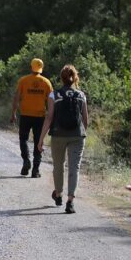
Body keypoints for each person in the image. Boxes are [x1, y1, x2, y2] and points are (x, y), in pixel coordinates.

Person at [38, 65, 89, 214]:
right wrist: (80, 132)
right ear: (75, 78)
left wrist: (41, 139)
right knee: (74, 167)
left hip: (58, 135)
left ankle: (58, 194)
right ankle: (70, 201)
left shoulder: (54, 95)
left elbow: (49, 117)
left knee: (58, 165)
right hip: (77, 136)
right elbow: (85, 120)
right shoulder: (81, 95)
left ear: (61, 78)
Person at [10, 58, 53, 177]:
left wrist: (13, 113)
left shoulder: (23, 80)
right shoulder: (46, 82)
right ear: (41, 69)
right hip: (40, 117)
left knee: (23, 139)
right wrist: (51, 118)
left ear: (31, 67)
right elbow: (50, 102)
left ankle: (26, 160)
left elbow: (16, 98)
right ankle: (35, 170)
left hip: (25, 115)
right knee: (38, 142)